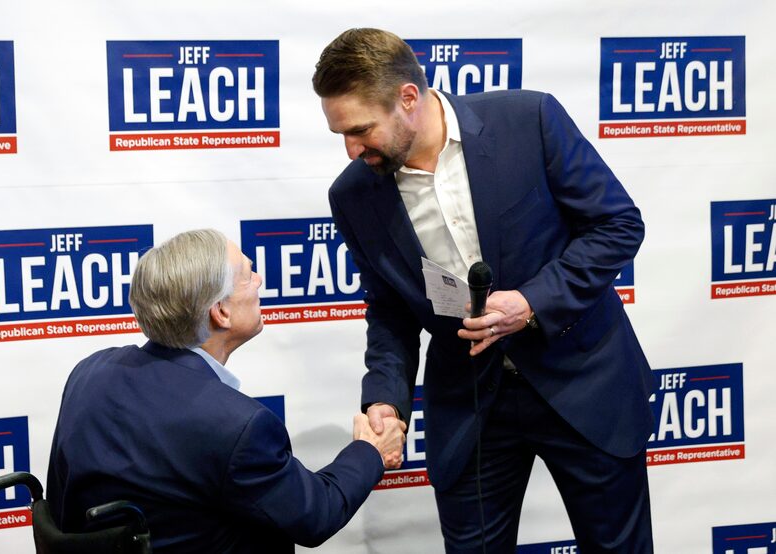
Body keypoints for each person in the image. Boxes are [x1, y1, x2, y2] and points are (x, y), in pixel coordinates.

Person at [313, 28, 656, 553]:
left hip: (586, 387)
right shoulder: (354, 193)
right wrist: (385, 398)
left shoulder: (528, 120)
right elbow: (389, 312)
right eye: (340, 133)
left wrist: (530, 303)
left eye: (361, 129)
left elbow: (617, 226)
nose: (351, 149)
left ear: (408, 97)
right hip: (470, 408)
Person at [46, 228, 406, 553]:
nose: (260, 280)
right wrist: (371, 451)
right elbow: (316, 515)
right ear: (221, 312)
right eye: (248, 275)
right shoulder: (236, 426)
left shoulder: (90, 371)